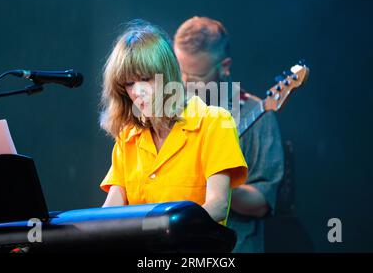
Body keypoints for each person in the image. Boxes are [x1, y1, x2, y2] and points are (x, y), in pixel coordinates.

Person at [99, 20, 247, 224]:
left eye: (145, 79)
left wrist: (162, 227)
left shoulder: (214, 121)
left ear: (168, 75)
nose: (137, 91)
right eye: (129, 83)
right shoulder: (128, 136)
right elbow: (111, 209)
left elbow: (218, 205)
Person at [174, 16, 284, 252]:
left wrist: (217, 183)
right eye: (179, 72)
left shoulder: (258, 115)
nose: (184, 84)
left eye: (195, 78)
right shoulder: (170, 112)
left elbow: (263, 202)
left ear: (224, 66)